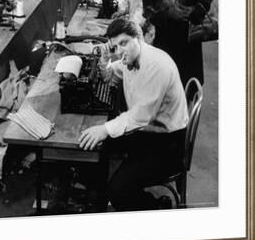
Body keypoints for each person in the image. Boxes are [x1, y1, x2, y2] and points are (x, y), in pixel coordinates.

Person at [79, 18, 189, 211]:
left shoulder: (156, 66)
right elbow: (111, 76)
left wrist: (104, 128)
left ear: (139, 38)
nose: (120, 51)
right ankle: (98, 197)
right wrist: (105, 61)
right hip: (148, 131)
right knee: (95, 146)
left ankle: (156, 207)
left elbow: (140, 116)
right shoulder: (129, 57)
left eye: (124, 43)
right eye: (115, 46)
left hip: (167, 144)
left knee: (118, 190)